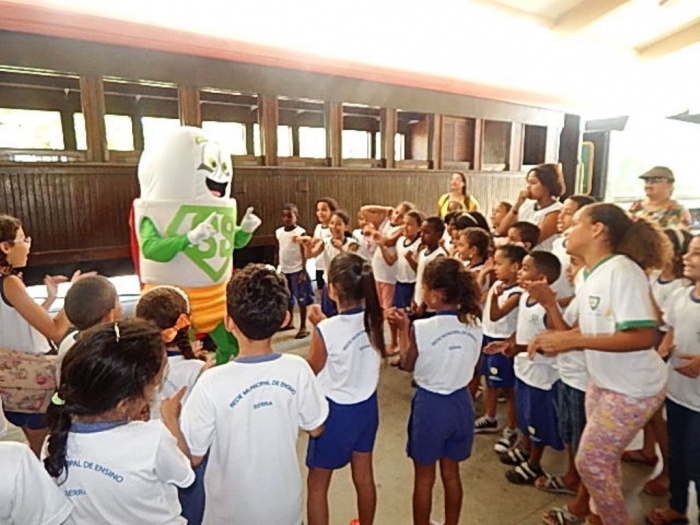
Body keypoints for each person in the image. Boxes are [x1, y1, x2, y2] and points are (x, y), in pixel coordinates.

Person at [529, 203, 671, 525]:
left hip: (634, 388)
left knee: (591, 462)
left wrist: (571, 341)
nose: (567, 229)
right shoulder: (587, 274)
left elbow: (644, 335)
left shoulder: (623, 271)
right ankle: (596, 515)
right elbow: (589, 329)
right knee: (603, 462)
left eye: (576, 222)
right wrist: (556, 334)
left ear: (597, 230)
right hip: (603, 382)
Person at [181, 264, 328, 525]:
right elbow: (315, 427)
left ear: (228, 322)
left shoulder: (211, 382)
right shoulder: (298, 369)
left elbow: (193, 456)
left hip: (229, 514)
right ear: (285, 319)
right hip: (284, 509)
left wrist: (171, 418)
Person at [43, 318, 194, 524]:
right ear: (124, 404)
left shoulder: (53, 444)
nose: (155, 391)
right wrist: (171, 419)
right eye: (154, 383)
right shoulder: (153, 438)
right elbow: (184, 475)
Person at [388, 257, 482, 525]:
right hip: (461, 403)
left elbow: (407, 364)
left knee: (424, 478)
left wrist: (403, 329)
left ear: (436, 294)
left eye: (425, 287)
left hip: (431, 407)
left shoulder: (422, 328)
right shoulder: (475, 324)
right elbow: (475, 365)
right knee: (451, 474)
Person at [0, 213, 93, 455]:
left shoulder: (8, 282)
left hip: (11, 378)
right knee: (39, 452)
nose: (28, 245)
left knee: (29, 447)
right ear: (5, 246)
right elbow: (55, 330)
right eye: (23, 239)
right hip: (32, 378)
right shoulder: (9, 283)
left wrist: (51, 298)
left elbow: (18, 321)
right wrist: (74, 293)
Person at [305, 252, 387, 525]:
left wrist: (319, 327)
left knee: (317, 484)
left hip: (334, 414)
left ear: (332, 289)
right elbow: (351, 337)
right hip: (366, 409)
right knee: (363, 476)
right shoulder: (376, 321)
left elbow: (311, 370)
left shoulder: (327, 330)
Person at [485, 252, 563, 485]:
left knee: (537, 420)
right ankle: (525, 448)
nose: (520, 271)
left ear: (542, 278)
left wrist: (518, 348)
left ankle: (534, 464)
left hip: (540, 376)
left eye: (526, 269)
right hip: (523, 370)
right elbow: (521, 331)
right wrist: (509, 343)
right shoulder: (524, 299)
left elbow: (551, 347)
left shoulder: (548, 309)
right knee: (525, 415)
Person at [646, 235, 700, 525]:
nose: (687, 258)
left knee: (696, 460)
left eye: (696, 253)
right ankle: (677, 506)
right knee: (676, 453)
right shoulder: (682, 296)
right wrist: (664, 347)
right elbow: (669, 328)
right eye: (689, 252)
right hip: (678, 394)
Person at [474, 244, 527, 450]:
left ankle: (512, 428)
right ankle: (490, 417)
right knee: (490, 381)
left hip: (503, 342)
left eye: (498, 264)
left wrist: (495, 296)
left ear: (514, 267)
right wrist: (483, 276)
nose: (494, 268)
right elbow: (478, 299)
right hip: (488, 336)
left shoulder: (517, 293)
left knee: (509, 387)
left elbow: (496, 314)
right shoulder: (498, 285)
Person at [303, 210, 359, 317]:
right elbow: (310, 255)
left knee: (344, 314)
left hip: (346, 285)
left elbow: (350, 260)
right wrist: (307, 246)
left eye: (338, 224)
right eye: (332, 223)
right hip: (329, 283)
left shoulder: (352, 243)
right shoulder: (325, 242)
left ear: (346, 227)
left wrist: (340, 248)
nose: (334, 227)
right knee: (328, 314)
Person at [498, 164, 565, 251]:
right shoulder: (526, 205)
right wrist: (517, 205)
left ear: (547, 185)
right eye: (528, 183)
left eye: (533, 183)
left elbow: (534, 240)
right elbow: (502, 231)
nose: (528, 187)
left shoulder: (556, 211)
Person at [276, 203, 315, 339]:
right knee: (288, 298)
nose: (286, 219)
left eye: (290, 216)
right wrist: (278, 267)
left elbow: (304, 252)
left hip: (297, 270)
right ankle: (289, 322)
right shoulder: (279, 232)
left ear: (296, 217)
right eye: (284, 216)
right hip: (285, 269)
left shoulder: (300, 232)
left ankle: (303, 326)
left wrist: (303, 270)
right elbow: (279, 250)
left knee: (301, 298)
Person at [58, 275, 121, 358]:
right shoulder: (113, 349)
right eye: (118, 301)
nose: (120, 306)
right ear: (109, 316)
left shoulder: (67, 343)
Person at [413, 217, 448, 318]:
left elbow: (434, 283)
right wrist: (414, 298)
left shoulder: (439, 255)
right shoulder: (423, 252)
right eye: (422, 231)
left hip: (429, 305)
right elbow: (419, 277)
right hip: (418, 299)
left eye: (427, 232)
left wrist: (423, 305)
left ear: (438, 235)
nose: (422, 235)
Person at [313, 197, 339, 293]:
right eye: (318, 210)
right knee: (321, 292)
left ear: (332, 211)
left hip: (333, 267)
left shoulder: (335, 229)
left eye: (324, 210)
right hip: (320, 265)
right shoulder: (318, 227)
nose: (320, 213)